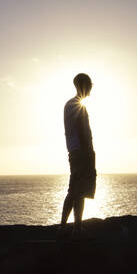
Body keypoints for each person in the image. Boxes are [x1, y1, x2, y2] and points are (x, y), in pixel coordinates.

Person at [59, 73, 97, 236]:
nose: (91, 87)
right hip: (82, 152)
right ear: (84, 85)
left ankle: (75, 227)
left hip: (75, 151)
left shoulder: (69, 105)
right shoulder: (78, 106)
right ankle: (69, 227)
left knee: (77, 190)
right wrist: (88, 152)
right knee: (76, 190)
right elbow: (82, 131)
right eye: (89, 84)